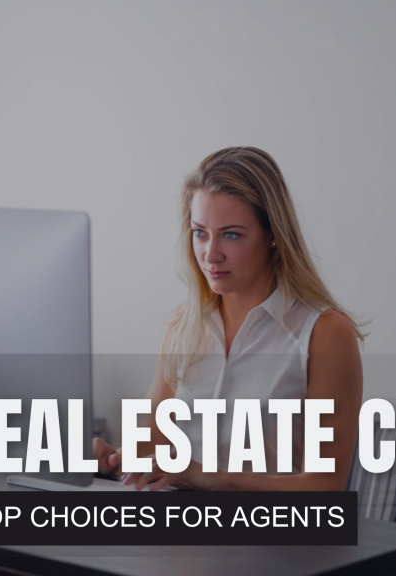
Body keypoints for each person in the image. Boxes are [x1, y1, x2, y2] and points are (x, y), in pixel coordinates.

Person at [93, 146, 365, 491]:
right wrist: (112, 462)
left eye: (231, 234)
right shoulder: (184, 327)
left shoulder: (325, 333)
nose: (210, 254)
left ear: (272, 235)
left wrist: (207, 476)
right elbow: (149, 451)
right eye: (200, 233)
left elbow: (325, 487)